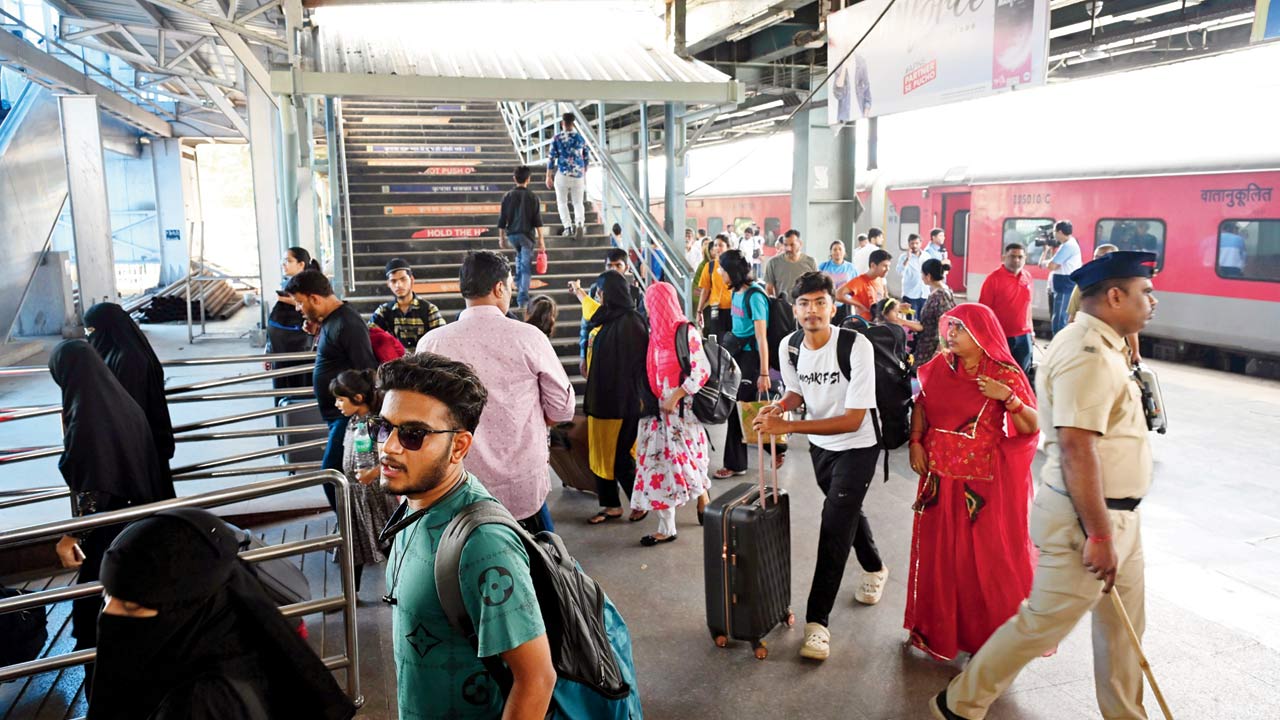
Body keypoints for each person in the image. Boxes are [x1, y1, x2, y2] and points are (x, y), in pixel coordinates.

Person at [931, 253, 1159, 720]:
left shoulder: (1108, 344)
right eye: (1145, 292)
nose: (1153, 301)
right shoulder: (1086, 354)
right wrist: (1098, 535)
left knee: (1123, 629)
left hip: (1118, 515)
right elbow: (1078, 448)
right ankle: (960, 702)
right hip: (1087, 517)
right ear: (1115, 296)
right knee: (1041, 624)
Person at [373, 353, 557, 720]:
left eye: (412, 435)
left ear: (458, 447)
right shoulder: (415, 504)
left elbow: (537, 678)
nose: (388, 446)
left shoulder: (484, 544)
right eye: (383, 428)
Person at [89, 508, 355, 720]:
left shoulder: (202, 702)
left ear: (192, 608)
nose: (108, 614)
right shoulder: (240, 641)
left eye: (131, 606)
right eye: (106, 597)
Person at [754, 271, 886, 662]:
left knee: (834, 525)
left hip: (858, 445)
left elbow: (852, 418)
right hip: (821, 447)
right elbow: (796, 392)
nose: (812, 311)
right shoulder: (789, 345)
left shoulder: (855, 345)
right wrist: (780, 406)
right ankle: (875, 567)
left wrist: (789, 427)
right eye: (804, 304)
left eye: (820, 302)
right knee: (844, 510)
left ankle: (817, 624)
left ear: (833, 305)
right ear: (794, 309)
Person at [906, 303, 1039, 663]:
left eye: (960, 329)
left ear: (981, 336)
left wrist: (1007, 398)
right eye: (951, 327)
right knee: (940, 557)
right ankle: (939, 630)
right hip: (938, 479)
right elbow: (921, 403)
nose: (951, 334)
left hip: (981, 486)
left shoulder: (1005, 374)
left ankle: (989, 639)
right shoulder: (939, 367)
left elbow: (1031, 427)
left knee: (982, 563)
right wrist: (916, 440)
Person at [418, 251, 575, 534]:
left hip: (458, 486)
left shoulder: (432, 343)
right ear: (499, 287)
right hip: (522, 484)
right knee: (541, 560)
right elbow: (562, 408)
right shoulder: (528, 337)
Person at [48, 340, 173, 681]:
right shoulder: (121, 404)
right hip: (136, 524)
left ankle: (103, 686)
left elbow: (95, 490)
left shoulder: (87, 417)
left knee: (98, 612)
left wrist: (70, 537)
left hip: (110, 531)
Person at [286, 270, 378, 512]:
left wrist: (361, 417)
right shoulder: (331, 320)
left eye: (299, 301)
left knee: (332, 474)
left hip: (347, 419)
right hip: (338, 416)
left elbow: (367, 369)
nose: (297, 308)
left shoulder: (348, 323)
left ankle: (351, 533)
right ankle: (352, 533)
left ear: (315, 298)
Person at [632, 282, 713, 546]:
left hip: (682, 416)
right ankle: (667, 527)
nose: (647, 306)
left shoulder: (685, 331)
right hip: (657, 418)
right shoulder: (653, 334)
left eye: (650, 302)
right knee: (659, 469)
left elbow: (702, 370)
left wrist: (676, 396)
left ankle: (703, 498)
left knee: (690, 465)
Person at [582, 270, 656, 525]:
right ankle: (611, 505)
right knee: (600, 454)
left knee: (622, 455)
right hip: (601, 400)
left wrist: (644, 397)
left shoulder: (632, 321)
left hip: (625, 402)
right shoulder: (604, 318)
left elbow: (642, 364)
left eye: (601, 292)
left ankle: (640, 502)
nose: (599, 296)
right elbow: (590, 311)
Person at [713, 249, 785, 480]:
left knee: (748, 408)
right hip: (737, 358)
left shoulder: (755, 296)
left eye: (722, 269)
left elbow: (761, 337)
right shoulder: (736, 293)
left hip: (751, 359)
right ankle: (738, 462)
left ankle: (776, 448)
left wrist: (764, 373)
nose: (719, 272)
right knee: (739, 409)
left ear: (732, 271)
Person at [83, 302, 175, 483]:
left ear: (108, 328)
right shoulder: (123, 351)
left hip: (139, 449)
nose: (89, 337)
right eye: (86, 332)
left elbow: (128, 411)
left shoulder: (129, 361)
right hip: (141, 446)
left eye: (91, 331)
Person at [330, 369, 398, 590]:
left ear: (358, 398)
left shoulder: (377, 424)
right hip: (353, 493)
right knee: (352, 542)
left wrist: (374, 472)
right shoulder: (352, 421)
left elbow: (393, 454)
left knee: (386, 540)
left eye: (340, 399)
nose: (337, 405)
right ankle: (350, 591)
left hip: (372, 495)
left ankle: (402, 584)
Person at [977, 243, 1035, 376]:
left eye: (1020, 257)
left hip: (1024, 336)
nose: (1016, 260)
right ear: (1003, 257)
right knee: (1000, 374)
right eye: (1012, 256)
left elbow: (1028, 305)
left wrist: (1031, 331)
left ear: (1025, 258)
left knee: (1021, 375)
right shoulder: (993, 279)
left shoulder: (1027, 277)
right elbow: (984, 311)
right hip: (1000, 336)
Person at [266, 247, 318, 391]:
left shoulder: (312, 286)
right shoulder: (288, 285)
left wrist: (288, 299)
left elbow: (314, 309)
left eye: (288, 261)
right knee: (282, 392)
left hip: (300, 352)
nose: (284, 264)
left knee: (297, 392)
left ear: (301, 264)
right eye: (283, 261)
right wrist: (269, 350)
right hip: (280, 351)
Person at [498, 165, 547, 310]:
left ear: (514, 178)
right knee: (525, 267)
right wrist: (541, 240)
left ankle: (518, 286)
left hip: (512, 235)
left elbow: (502, 219)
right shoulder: (533, 197)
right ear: (529, 179)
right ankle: (522, 298)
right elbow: (537, 221)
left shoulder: (507, 196)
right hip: (527, 236)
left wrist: (501, 238)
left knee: (519, 260)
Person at [370, 258, 446, 350]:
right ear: (388, 284)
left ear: (412, 280)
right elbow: (368, 336)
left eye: (403, 279)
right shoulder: (384, 311)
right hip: (394, 363)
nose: (399, 285)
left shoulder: (429, 310)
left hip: (423, 362)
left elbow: (442, 340)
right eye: (393, 281)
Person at [545, 112, 589, 236]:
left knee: (562, 202)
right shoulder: (580, 138)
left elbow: (551, 159)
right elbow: (586, 157)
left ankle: (568, 227)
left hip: (563, 174)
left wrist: (548, 176)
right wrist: (583, 172)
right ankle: (579, 223)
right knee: (578, 202)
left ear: (562, 123)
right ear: (573, 123)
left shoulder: (557, 138)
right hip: (578, 175)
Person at [1039, 220, 1082, 337]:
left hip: (1064, 284)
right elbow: (1051, 264)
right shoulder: (1068, 245)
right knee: (1058, 314)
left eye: (1054, 232)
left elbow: (1052, 266)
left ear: (1060, 232)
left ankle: (1058, 341)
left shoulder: (1068, 246)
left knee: (1060, 316)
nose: (1054, 235)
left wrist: (1049, 263)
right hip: (1062, 283)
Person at [915, 259, 957, 368]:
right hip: (930, 345)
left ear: (928, 276)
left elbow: (945, 324)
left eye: (922, 273)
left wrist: (939, 350)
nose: (922, 276)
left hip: (931, 348)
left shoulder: (939, 296)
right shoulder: (944, 290)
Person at [695, 233, 734, 341]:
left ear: (728, 247)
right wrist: (699, 311)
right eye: (715, 245)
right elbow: (705, 290)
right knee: (715, 338)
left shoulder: (734, 265)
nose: (717, 248)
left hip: (734, 309)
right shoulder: (710, 266)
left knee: (732, 339)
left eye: (721, 245)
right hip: (715, 309)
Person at [837, 249, 891, 321]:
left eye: (888, 266)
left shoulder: (880, 279)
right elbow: (838, 295)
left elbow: (884, 299)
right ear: (873, 265)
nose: (887, 269)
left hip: (876, 323)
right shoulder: (859, 281)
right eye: (884, 266)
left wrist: (898, 306)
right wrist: (859, 305)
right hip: (862, 325)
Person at [764, 229, 817, 298]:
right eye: (786, 245)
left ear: (800, 244)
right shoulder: (773, 263)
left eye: (792, 245)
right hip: (782, 306)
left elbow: (815, 287)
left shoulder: (811, 262)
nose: (788, 248)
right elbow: (769, 288)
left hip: (803, 307)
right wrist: (775, 303)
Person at [819, 240, 856, 326]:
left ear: (844, 252)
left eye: (840, 249)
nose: (837, 251)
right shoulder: (823, 266)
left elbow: (855, 288)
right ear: (831, 252)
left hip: (845, 305)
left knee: (844, 330)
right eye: (834, 249)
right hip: (828, 304)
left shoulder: (850, 268)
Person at [897, 234, 929, 320]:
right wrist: (908, 258)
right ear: (909, 244)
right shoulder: (903, 257)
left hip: (924, 293)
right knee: (911, 320)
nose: (914, 246)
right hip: (910, 294)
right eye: (912, 243)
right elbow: (900, 271)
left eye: (916, 243)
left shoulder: (926, 256)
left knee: (922, 319)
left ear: (920, 243)